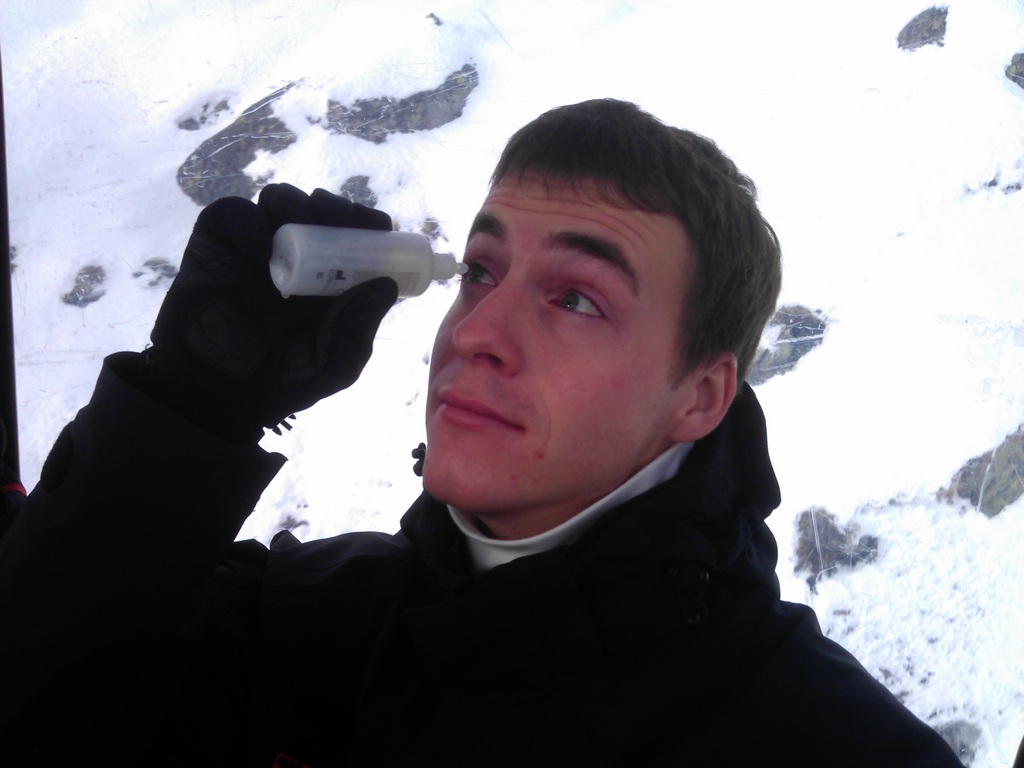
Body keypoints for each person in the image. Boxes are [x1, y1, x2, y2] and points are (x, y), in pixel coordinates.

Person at [0, 99, 961, 766]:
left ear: (701, 396)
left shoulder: (822, 743)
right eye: (482, 273)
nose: (477, 333)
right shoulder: (313, 623)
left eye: (577, 298)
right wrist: (186, 412)